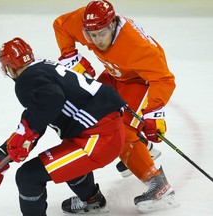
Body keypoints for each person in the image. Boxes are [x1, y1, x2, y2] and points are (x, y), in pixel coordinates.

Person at [0, 37, 127, 216]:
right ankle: (92, 200)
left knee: (28, 177)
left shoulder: (26, 80)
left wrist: (28, 132)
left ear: (10, 67)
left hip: (98, 139)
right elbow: (37, 119)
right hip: (106, 130)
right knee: (65, 154)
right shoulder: (43, 67)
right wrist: (1, 160)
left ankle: (90, 198)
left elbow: (52, 101)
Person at [53, 0, 179, 212]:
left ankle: (159, 186)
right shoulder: (86, 22)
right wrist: (69, 55)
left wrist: (153, 113)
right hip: (114, 73)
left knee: (118, 130)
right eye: (91, 35)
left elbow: (164, 79)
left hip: (138, 79)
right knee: (83, 115)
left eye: (101, 33)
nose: (96, 40)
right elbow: (60, 24)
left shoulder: (137, 48)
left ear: (112, 24)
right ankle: (92, 196)